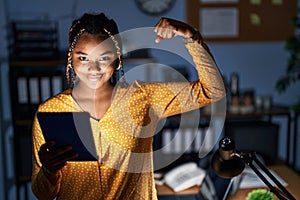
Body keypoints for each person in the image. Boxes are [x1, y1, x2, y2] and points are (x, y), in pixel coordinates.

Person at [31, 12, 226, 199]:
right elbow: (43, 194)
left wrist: (191, 37)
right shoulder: (50, 111)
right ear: (71, 59)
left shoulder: (143, 98)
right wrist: (49, 171)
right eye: (83, 58)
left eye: (104, 58)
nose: (93, 68)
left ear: (117, 59)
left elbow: (213, 90)